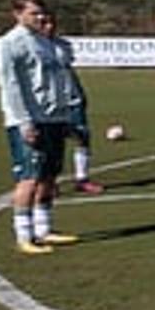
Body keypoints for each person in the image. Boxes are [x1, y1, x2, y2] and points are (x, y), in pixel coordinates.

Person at [0, 0, 79, 255]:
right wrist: (23, 122)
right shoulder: (10, 43)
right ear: (18, 14)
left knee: (49, 177)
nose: (40, 17)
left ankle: (44, 229)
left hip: (54, 117)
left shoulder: (45, 41)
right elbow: (11, 86)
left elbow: (61, 74)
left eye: (42, 12)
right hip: (29, 119)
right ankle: (24, 235)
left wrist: (64, 116)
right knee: (29, 178)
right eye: (33, 13)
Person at [40, 10, 104, 194]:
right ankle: (50, 181)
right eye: (45, 23)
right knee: (51, 143)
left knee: (82, 137)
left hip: (73, 99)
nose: (49, 27)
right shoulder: (34, 47)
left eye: (52, 23)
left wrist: (79, 93)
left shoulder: (64, 45)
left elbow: (68, 70)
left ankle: (82, 179)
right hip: (49, 102)